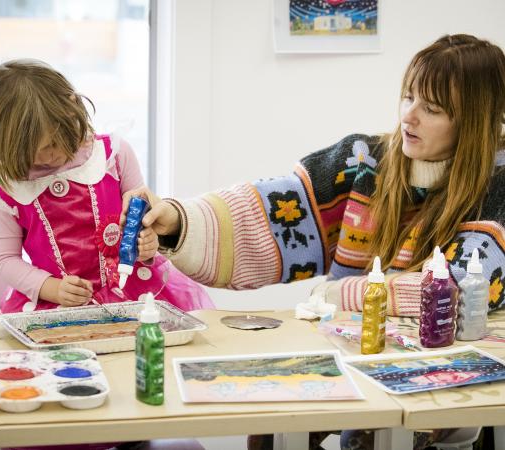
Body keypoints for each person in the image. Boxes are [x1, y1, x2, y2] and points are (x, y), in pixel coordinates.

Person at [121, 34, 505, 450]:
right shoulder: (364, 161)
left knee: (373, 437)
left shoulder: (498, 184)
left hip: (444, 376)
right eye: (408, 97)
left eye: (431, 109)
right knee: (270, 430)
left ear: (474, 121)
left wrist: (342, 294)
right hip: (352, 352)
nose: (408, 116)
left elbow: (458, 290)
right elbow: (267, 214)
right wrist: (176, 220)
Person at [0, 60, 213, 313]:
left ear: (71, 109)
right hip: (57, 306)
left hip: (132, 293)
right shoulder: (12, 189)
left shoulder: (113, 157)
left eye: (52, 144)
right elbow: (4, 259)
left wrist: (149, 244)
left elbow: (146, 217)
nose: (46, 157)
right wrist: (50, 287)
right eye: (30, 153)